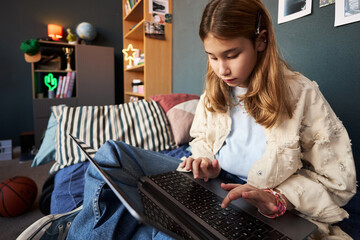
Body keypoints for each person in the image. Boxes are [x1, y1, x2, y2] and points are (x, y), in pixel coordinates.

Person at [67, 0, 356, 239]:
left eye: (231, 55)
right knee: (112, 155)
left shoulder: (302, 94)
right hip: (209, 183)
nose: (222, 69)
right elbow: (202, 139)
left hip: (251, 201)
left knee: (167, 231)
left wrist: (277, 198)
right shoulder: (215, 89)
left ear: (261, 41)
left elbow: (338, 181)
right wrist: (203, 160)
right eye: (212, 57)